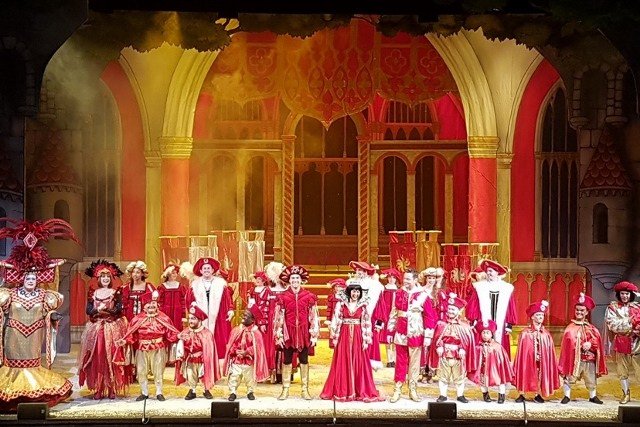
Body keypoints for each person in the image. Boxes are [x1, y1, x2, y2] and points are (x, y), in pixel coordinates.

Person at [0, 218, 77, 411]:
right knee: (13, 366)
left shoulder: (45, 296)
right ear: (22, 279)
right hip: (13, 335)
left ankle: (32, 390)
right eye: (27, 278)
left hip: (34, 335)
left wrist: (53, 317)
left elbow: (50, 311)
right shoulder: (9, 294)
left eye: (34, 278)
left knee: (32, 364)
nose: (30, 280)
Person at [320, 281, 384, 402]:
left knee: (358, 360)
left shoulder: (363, 306)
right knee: (343, 360)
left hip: (358, 335)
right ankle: (344, 390)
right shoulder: (341, 304)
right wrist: (335, 335)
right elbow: (336, 320)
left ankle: (358, 390)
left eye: (358, 292)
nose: (356, 294)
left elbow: (366, 323)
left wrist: (366, 339)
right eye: (354, 291)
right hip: (343, 335)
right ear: (349, 292)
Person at [78, 259, 131, 400]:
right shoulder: (93, 293)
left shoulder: (115, 292)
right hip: (97, 329)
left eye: (108, 276)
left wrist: (107, 310)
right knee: (97, 356)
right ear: (99, 279)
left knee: (111, 357)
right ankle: (98, 387)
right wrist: (97, 310)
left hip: (111, 327)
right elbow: (88, 310)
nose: (106, 279)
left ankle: (112, 387)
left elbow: (119, 309)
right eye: (103, 277)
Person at [117, 291, 179, 401]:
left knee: (158, 371)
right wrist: (125, 341)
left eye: (153, 303)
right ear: (144, 306)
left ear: (157, 305)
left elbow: (171, 333)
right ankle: (144, 392)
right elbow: (131, 334)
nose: (151, 305)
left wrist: (178, 336)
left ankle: (159, 392)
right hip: (142, 349)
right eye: (148, 304)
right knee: (141, 371)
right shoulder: (137, 319)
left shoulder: (164, 318)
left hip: (158, 348)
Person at [387, 269, 437, 403]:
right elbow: (393, 313)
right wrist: (390, 331)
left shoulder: (423, 295)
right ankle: (397, 389)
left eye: (408, 279)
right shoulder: (398, 293)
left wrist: (428, 336)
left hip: (416, 332)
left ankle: (413, 389)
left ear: (415, 280)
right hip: (401, 332)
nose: (405, 281)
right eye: (405, 278)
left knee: (414, 364)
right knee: (400, 362)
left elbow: (429, 316)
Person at [273, 265, 319, 400]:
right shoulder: (283, 297)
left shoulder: (309, 296)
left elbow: (313, 316)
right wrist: (279, 334)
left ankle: (305, 389)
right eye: (292, 278)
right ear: (289, 280)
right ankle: (285, 389)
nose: (295, 280)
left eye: (297, 278)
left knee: (304, 360)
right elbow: (278, 317)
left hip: (304, 333)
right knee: (287, 360)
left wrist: (314, 334)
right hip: (288, 333)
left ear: (301, 280)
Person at [558, 293, 606, 404]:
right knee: (570, 377)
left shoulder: (592, 328)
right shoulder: (570, 328)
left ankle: (593, 396)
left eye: (582, 310)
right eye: (577, 310)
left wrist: (590, 344)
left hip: (589, 359)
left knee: (591, 378)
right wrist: (579, 345)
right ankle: (567, 396)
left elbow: (597, 342)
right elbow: (568, 345)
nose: (579, 312)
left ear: (587, 312)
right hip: (575, 360)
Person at [429, 293, 477, 403]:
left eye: (453, 309)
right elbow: (437, 339)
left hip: (458, 357)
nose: (450, 311)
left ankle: (460, 395)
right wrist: (439, 346)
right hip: (444, 356)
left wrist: (463, 348)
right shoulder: (441, 324)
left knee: (459, 377)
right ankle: (443, 395)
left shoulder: (464, 326)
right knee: (442, 376)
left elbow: (467, 341)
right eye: (449, 309)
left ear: (458, 311)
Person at [186, 257, 234, 363]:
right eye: (204, 268)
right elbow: (189, 301)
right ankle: (203, 357)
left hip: (218, 316)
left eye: (209, 268)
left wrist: (230, 309)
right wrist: (193, 309)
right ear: (201, 271)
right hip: (201, 317)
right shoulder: (194, 285)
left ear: (213, 270)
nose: (206, 270)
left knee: (219, 336)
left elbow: (227, 299)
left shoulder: (221, 284)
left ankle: (217, 359)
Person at [465, 259, 517, 357]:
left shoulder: (506, 288)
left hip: (501, 323)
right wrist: (473, 321)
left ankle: (499, 363)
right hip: (483, 321)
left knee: (500, 344)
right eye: (487, 271)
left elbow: (510, 307)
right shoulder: (479, 287)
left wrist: (509, 324)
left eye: (491, 271)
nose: (488, 273)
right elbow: (474, 305)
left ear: (497, 273)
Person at [513, 300, 560, 403]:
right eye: (538, 315)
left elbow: (549, 351)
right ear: (532, 317)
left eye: (542, 315)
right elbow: (522, 352)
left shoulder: (546, 334)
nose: (540, 317)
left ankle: (537, 394)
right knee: (525, 372)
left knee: (539, 374)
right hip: (528, 359)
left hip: (541, 360)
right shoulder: (525, 333)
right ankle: (522, 393)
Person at [605, 280, 640, 404]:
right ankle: (626, 394)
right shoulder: (613, 308)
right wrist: (630, 323)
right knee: (622, 371)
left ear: (631, 294)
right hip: (621, 343)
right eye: (622, 294)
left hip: (637, 344)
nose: (625, 296)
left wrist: (637, 330)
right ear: (619, 294)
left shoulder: (637, 307)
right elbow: (613, 325)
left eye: (627, 294)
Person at [223, 306, 269, 401]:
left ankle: (250, 392)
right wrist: (235, 351)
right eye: (243, 314)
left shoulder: (256, 333)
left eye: (246, 315)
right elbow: (231, 344)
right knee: (234, 376)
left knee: (250, 378)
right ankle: (232, 392)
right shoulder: (236, 330)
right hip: (237, 360)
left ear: (252, 320)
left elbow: (257, 348)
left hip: (249, 361)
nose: (243, 316)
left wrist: (247, 352)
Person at [175, 302, 219, 400]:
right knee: (191, 375)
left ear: (199, 320)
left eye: (193, 319)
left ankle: (206, 390)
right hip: (190, 359)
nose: (190, 321)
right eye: (189, 318)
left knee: (203, 375)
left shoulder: (206, 333)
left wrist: (204, 357)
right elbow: (180, 343)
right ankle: (192, 390)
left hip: (202, 360)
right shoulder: (186, 331)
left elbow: (209, 350)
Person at [349, 260, 386, 370]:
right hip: (354, 319)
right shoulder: (351, 284)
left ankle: (366, 367)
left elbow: (380, 306)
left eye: (361, 270)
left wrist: (379, 323)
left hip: (370, 318)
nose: (358, 272)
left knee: (369, 342)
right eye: (357, 270)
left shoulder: (375, 286)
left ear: (366, 272)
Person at [469, 319, 514, 404]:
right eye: (483, 333)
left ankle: (501, 395)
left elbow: (502, 359)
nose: (485, 335)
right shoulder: (477, 347)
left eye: (487, 333)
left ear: (491, 334)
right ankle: (485, 395)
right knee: (482, 381)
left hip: (496, 369)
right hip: (483, 369)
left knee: (500, 380)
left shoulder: (497, 347)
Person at [247, 270, 277, 378]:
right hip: (253, 320)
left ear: (264, 280)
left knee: (263, 344)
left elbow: (268, 308)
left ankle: (264, 370)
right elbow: (250, 306)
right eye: (256, 279)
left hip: (264, 323)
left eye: (260, 279)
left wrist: (263, 322)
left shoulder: (268, 291)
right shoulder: (252, 291)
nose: (258, 281)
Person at [380, 268, 402, 367]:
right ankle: (390, 360)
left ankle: (396, 359)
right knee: (388, 339)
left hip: (396, 316)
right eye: (389, 277)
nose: (391, 279)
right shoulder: (384, 289)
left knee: (396, 338)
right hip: (386, 315)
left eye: (393, 277)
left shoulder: (399, 290)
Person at [324, 278, 347, 350]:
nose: (337, 288)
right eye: (336, 286)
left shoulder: (346, 297)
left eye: (339, 286)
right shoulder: (332, 297)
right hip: (334, 319)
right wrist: (328, 321)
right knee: (334, 336)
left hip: (343, 319)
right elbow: (329, 309)